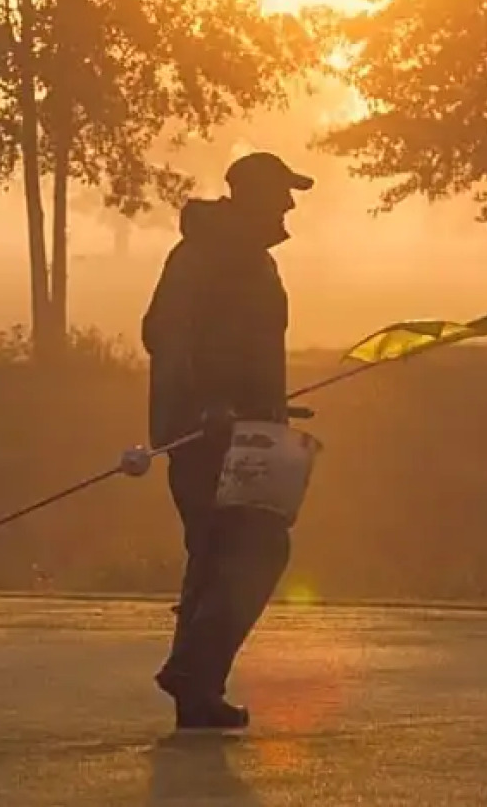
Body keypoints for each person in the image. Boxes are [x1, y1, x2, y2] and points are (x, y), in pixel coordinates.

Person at [140, 150, 313, 731]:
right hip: (204, 435)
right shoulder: (202, 257)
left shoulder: (253, 261)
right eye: (283, 194)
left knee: (215, 556)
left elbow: (245, 349)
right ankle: (193, 672)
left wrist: (267, 401)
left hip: (250, 432)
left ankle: (197, 692)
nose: (290, 206)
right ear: (254, 197)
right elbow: (165, 334)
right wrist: (208, 403)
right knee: (259, 548)